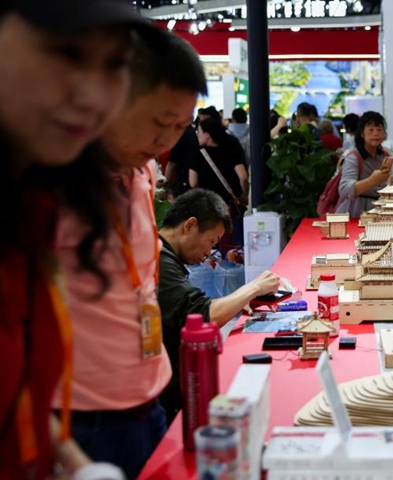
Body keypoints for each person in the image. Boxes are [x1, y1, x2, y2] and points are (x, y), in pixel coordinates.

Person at [0, 1, 157, 478]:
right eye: (65, 54)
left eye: (114, 64)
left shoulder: (41, 201)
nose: (94, 96)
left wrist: (71, 461)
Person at [53, 31, 206, 480]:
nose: (166, 140)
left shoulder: (143, 171)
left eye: (180, 126)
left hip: (148, 399)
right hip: (83, 417)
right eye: (158, 122)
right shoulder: (53, 184)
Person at [157, 189, 281, 423]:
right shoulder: (160, 262)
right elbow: (203, 314)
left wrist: (236, 301)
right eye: (211, 241)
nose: (207, 253)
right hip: (165, 398)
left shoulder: (163, 255)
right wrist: (254, 287)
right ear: (190, 225)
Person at [190, 117, 249, 251]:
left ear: (207, 134)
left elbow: (193, 182)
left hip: (207, 206)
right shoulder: (231, 148)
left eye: (199, 131)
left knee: (211, 245)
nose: (197, 134)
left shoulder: (198, 154)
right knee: (233, 243)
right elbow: (243, 177)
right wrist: (244, 194)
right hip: (230, 205)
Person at [337, 111, 393, 218]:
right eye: (371, 130)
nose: (376, 133)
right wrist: (372, 181)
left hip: (380, 210)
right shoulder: (353, 156)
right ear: (362, 133)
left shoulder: (386, 154)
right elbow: (344, 189)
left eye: (379, 129)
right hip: (356, 211)